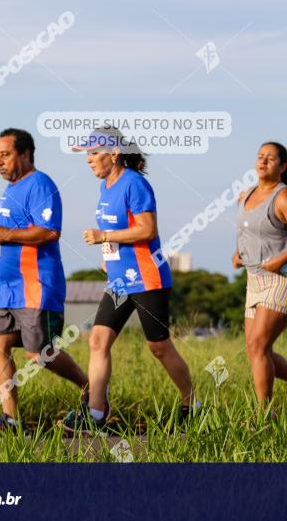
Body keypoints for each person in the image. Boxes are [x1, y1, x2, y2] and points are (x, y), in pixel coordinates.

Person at [63, 126, 196, 433]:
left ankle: (193, 404)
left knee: (158, 347)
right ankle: (95, 414)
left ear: (114, 154)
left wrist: (104, 236)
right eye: (87, 154)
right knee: (98, 340)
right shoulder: (105, 187)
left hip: (147, 278)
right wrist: (109, 254)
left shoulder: (135, 184)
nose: (88, 159)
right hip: (120, 282)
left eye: (94, 153)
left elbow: (148, 230)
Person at [0, 128, 88, 436]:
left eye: (5, 154)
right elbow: (9, 233)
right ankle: (10, 420)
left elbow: (48, 231)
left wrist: (1, 235)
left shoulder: (40, 184)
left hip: (35, 286)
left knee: (40, 354)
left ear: (25, 154)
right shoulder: (11, 190)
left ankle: (91, 388)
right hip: (5, 292)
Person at [234, 142, 287, 416]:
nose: (263, 161)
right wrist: (237, 252)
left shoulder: (282, 197)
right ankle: (266, 412)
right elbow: (248, 230)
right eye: (260, 157)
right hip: (254, 280)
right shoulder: (246, 195)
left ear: (283, 166)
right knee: (256, 351)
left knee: (258, 346)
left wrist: (281, 259)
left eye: (271, 158)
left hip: (280, 281)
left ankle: (264, 414)